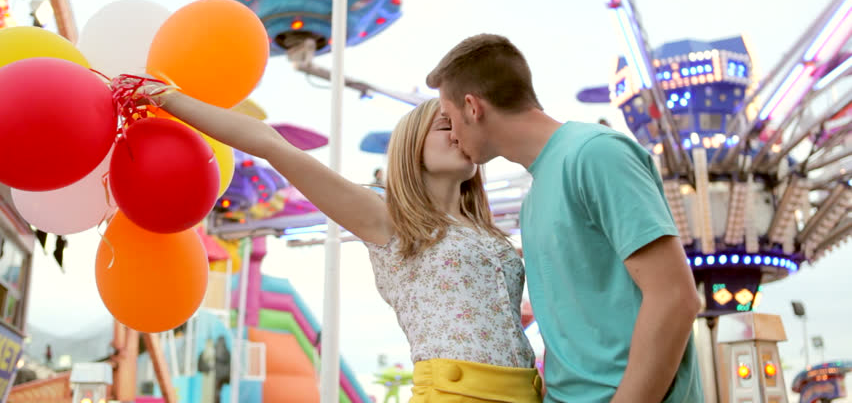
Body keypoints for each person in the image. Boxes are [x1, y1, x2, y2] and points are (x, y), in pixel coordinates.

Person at [134, 86, 541, 403]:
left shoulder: (489, 233)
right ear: (412, 147)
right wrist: (168, 98)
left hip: (528, 390)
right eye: (444, 126)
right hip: (457, 392)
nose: (458, 134)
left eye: (463, 126)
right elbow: (270, 144)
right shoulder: (389, 217)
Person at [426, 34, 703, 403]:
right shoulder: (534, 200)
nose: (453, 135)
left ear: (472, 107)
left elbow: (674, 297)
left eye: (448, 119)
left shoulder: (596, 154)